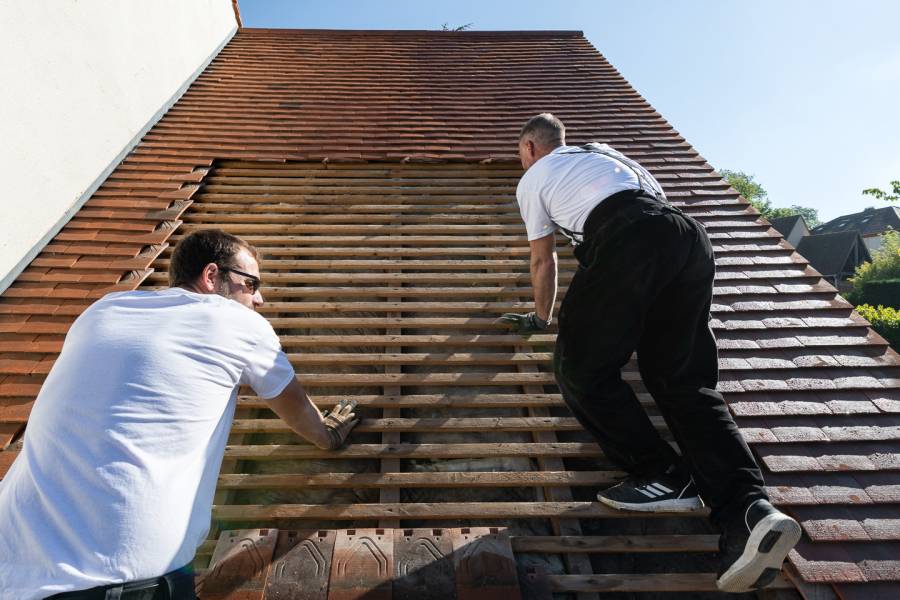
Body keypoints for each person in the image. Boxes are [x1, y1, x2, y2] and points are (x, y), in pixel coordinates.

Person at [497, 113, 801, 593]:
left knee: (580, 367)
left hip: (627, 239)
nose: (521, 163)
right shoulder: (610, 156)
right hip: (689, 239)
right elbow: (652, 222)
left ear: (531, 148)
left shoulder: (536, 175)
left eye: (520, 155)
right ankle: (749, 511)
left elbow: (543, 257)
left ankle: (663, 474)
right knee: (683, 382)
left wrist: (541, 319)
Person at [0, 229, 359, 599]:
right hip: (119, 577)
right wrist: (327, 434)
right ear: (210, 276)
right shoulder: (236, 322)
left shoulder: (104, 309)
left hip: (12, 566)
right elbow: (298, 408)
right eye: (250, 284)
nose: (259, 299)